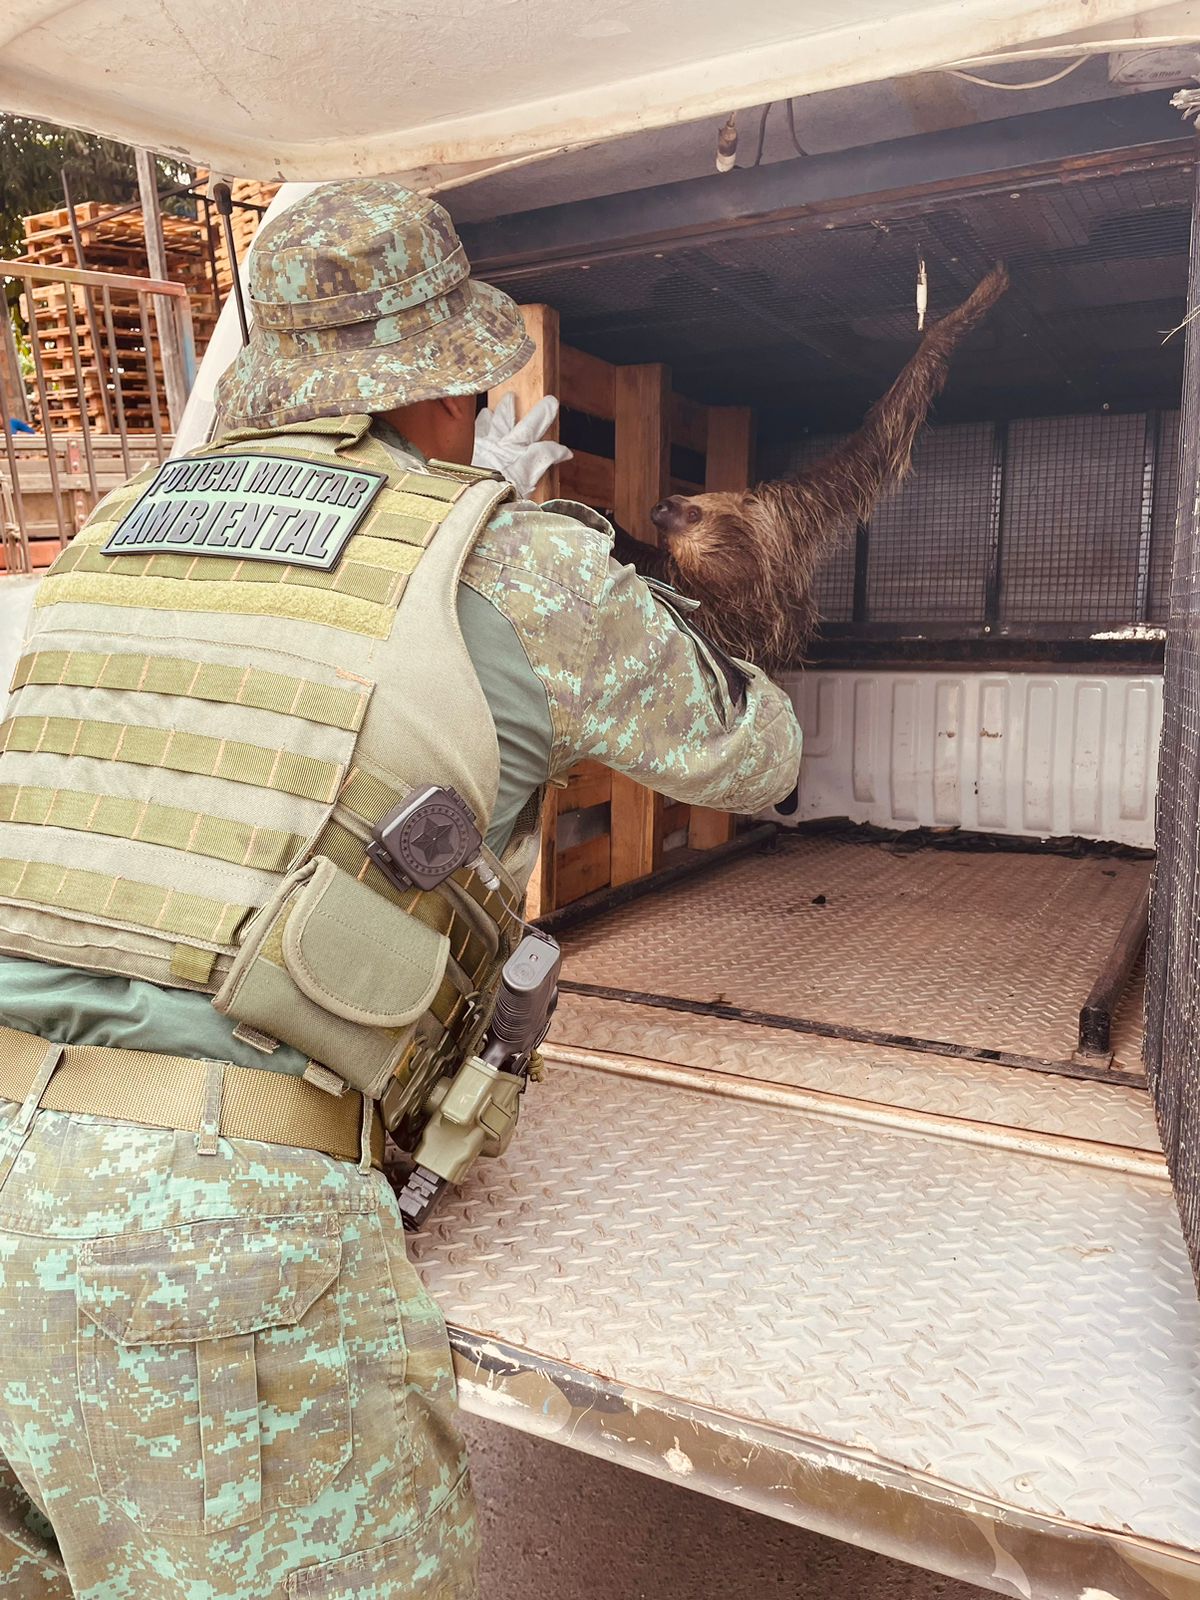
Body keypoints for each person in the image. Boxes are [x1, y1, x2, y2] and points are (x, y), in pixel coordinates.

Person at [0, 180, 802, 1599]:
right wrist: (667, 585)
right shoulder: (511, 558)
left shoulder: (110, 532)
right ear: (453, 390)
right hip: (193, 1246)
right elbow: (759, 752)